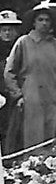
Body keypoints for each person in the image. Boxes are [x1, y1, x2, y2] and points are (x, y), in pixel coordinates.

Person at [3, 5, 56, 151]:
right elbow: (9, 73)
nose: (44, 23)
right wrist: (18, 96)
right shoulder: (23, 42)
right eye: (40, 19)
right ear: (33, 22)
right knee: (34, 139)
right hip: (33, 99)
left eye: (47, 20)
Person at [0, 10, 22, 149]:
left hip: (17, 96)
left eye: (10, 29)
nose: (7, 33)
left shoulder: (22, 47)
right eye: (4, 29)